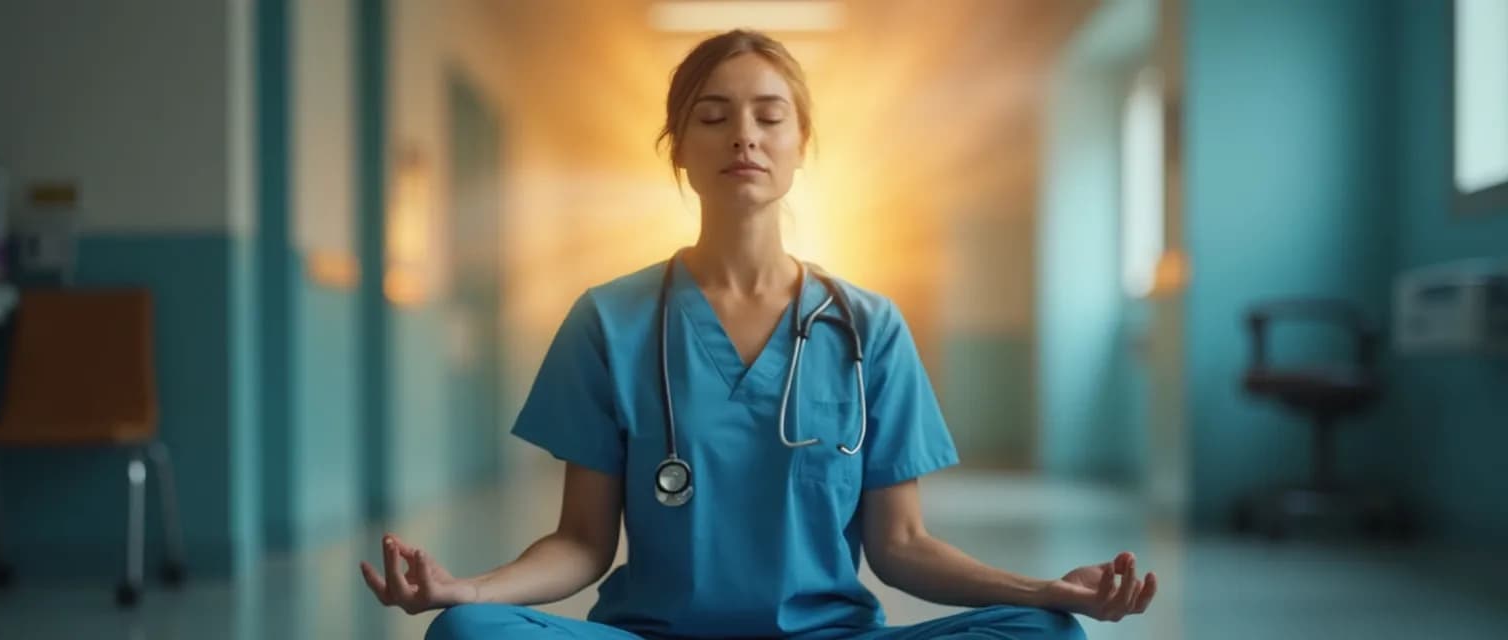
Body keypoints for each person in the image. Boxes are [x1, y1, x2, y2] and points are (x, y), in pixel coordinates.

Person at [361, 29, 1157, 640]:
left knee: (1045, 633)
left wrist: (1041, 590)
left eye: (769, 116)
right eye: (713, 116)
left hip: (830, 634)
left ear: (799, 146)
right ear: (679, 149)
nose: (743, 135)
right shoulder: (608, 320)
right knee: (467, 631)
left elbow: (903, 546)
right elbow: (581, 543)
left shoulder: (867, 328)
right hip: (652, 633)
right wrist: (470, 589)